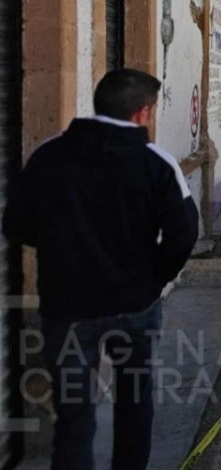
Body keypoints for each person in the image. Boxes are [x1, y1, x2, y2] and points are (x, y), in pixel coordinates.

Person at [2, 69, 200, 469]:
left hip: (68, 307)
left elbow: (16, 224)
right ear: (143, 113)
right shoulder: (157, 163)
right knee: (135, 403)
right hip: (135, 306)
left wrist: (64, 253)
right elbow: (183, 235)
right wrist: (153, 278)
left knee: (73, 418)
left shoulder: (49, 154)